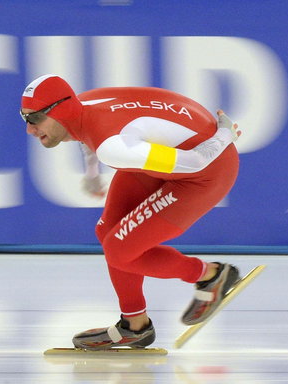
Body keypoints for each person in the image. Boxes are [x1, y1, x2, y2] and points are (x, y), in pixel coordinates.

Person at [20, 74, 242, 350]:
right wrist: (91, 173)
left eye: (34, 119)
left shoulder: (113, 148)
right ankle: (134, 324)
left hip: (204, 172)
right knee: (106, 231)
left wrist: (223, 136)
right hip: (167, 152)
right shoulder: (83, 104)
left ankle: (210, 275)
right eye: (24, 117)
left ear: (60, 110)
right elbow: (84, 133)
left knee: (119, 250)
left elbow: (195, 161)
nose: (29, 129)